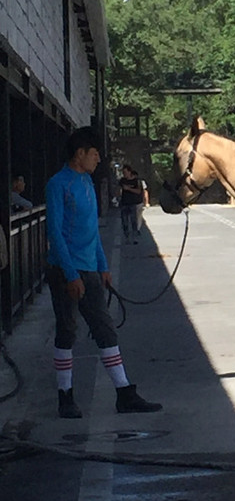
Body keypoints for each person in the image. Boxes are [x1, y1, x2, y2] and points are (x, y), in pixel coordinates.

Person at [45, 126, 161, 419]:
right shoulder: (58, 184)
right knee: (67, 331)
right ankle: (65, 396)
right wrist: (71, 274)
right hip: (65, 270)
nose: (98, 159)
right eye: (94, 154)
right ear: (80, 153)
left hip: (91, 270)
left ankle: (124, 393)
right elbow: (55, 233)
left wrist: (103, 266)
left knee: (105, 329)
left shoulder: (86, 183)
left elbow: (93, 232)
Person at [118, 163, 146, 242]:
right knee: (125, 222)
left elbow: (139, 191)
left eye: (125, 172)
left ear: (130, 172)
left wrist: (128, 189)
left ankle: (135, 237)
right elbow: (118, 189)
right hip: (124, 203)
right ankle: (127, 237)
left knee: (134, 221)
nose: (124, 174)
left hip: (133, 203)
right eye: (123, 173)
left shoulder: (136, 181)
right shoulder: (122, 180)